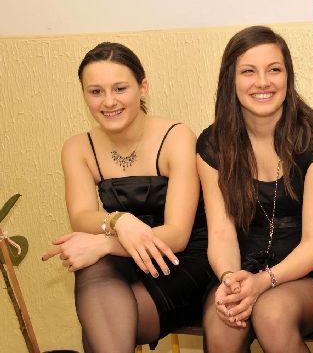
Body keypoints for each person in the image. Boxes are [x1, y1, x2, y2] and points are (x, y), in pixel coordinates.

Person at [42, 42, 213, 352]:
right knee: (96, 282)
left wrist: (105, 243)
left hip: (182, 260)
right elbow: (80, 217)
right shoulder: (78, 148)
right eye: (96, 91)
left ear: (142, 87)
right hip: (127, 259)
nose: (109, 102)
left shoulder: (176, 137)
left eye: (120, 88)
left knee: (104, 325)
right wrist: (119, 221)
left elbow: (177, 235)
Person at [196, 25, 313, 353]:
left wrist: (263, 282)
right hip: (241, 265)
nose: (262, 82)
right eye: (248, 71)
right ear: (231, 79)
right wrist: (230, 279)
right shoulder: (212, 146)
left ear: (287, 76)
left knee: (271, 314)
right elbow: (220, 233)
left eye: (274, 70)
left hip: (307, 272)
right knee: (222, 327)